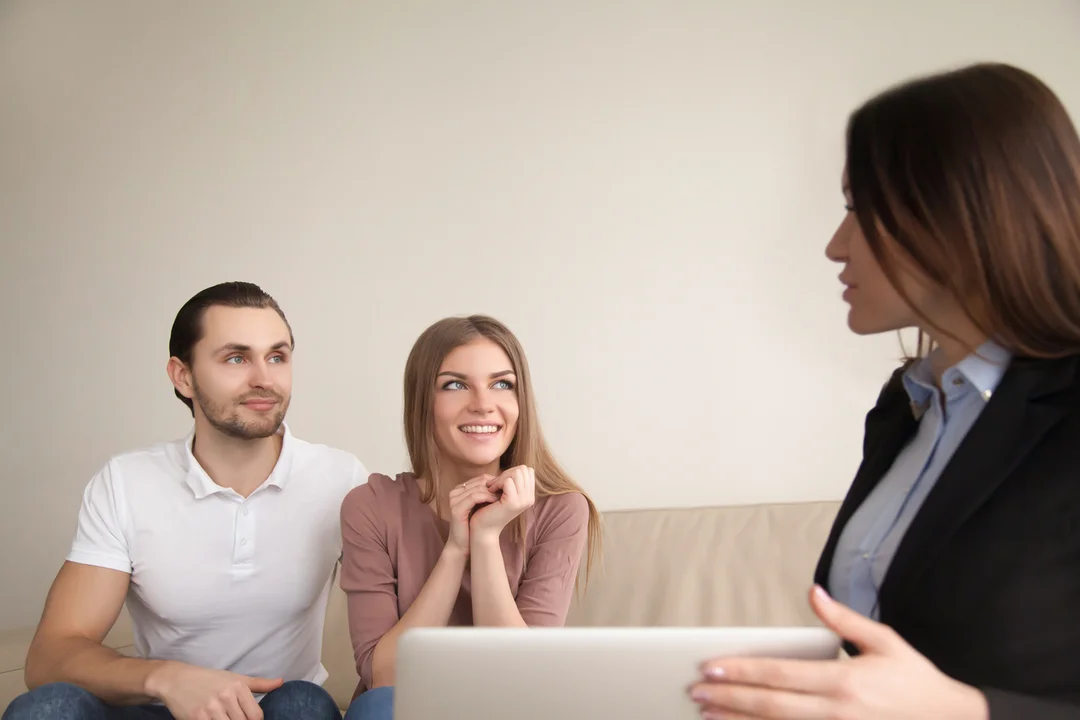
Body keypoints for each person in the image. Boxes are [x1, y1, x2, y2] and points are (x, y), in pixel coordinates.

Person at [687, 62, 1080, 719]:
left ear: (962, 210)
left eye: (857, 208)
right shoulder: (907, 405)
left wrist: (966, 712)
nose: (835, 246)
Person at [4, 281, 367, 720]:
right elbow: (51, 656)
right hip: (160, 710)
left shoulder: (340, 477)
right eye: (236, 358)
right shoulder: (127, 482)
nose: (264, 379)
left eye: (277, 357)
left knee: (303, 703)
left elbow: (399, 615)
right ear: (183, 376)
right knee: (49, 707)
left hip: (276, 711)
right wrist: (167, 678)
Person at [337, 314, 602, 720]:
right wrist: (455, 548)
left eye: (502, 384)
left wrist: (485, 539)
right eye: (455, 385)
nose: (482, 403)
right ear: (423, 403)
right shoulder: (371, 506)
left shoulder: (561, 509)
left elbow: (520, 682)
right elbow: (386, 678)